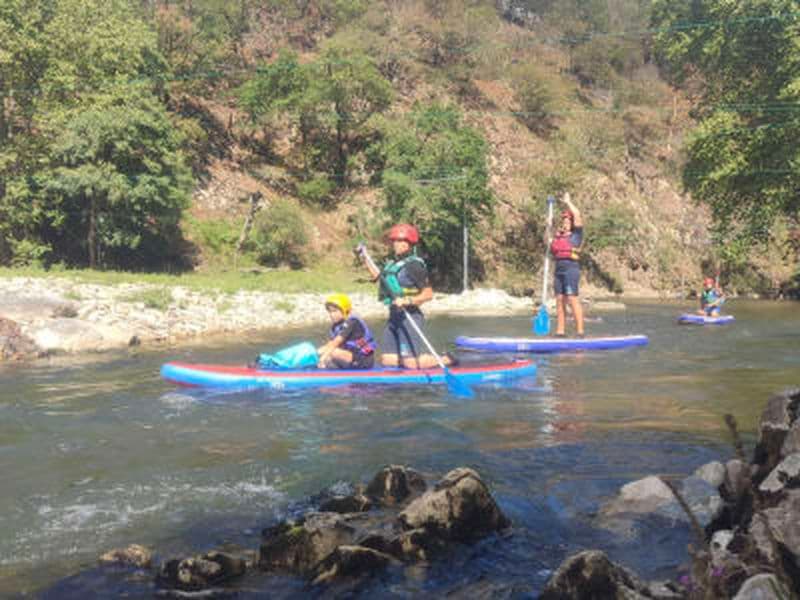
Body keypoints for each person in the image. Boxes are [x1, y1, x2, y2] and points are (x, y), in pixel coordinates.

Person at [356, 223, 456, 368]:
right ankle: (411, 362)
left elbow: (428, 294)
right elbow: (378, 276)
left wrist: (407, 300)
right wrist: (364, 257)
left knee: (410, 363)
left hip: (410, 316)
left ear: (409, 243)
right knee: (386, 360)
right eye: (394, 241)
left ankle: (447, 359)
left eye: (400, 241)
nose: (395, 244)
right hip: (394, 315)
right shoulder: (393, 264)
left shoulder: (414, 265)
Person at [550, 193, 585, 337]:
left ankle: (580, 332)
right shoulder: (557, 237)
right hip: (559, 269)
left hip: (571, 268)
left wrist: (568, 202)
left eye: (567, 221)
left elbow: (577, 215)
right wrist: (548, 226)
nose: (565, 223)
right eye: (563, 221)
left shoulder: (576, 235)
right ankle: (560, 331)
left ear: (572, 223)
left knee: (572, 298)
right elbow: (548, 242)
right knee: (559, 299)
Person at [317, 293, 377, 369]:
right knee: (323, 351)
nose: (331, 314)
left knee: (333, 352)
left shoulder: (352, 322)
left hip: (364, 359)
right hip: (350, 357)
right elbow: (330, 344)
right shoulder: (336, 326)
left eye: (335, 311)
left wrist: (322, 358)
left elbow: (336, 342)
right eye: (330, 311)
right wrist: (315, 353)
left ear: (345, 310)